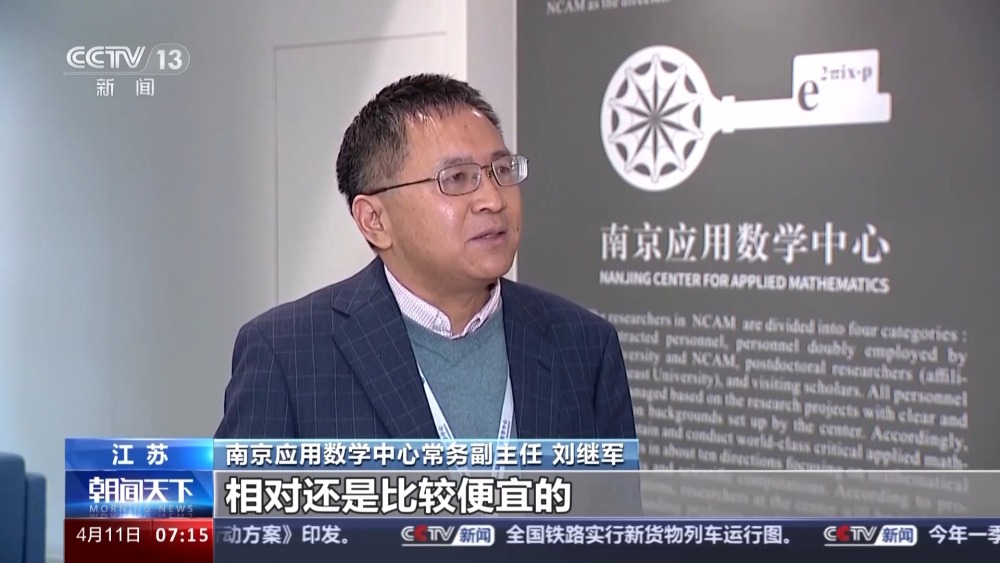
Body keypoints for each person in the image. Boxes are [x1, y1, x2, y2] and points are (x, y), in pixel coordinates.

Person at [214, 74, 636, 441]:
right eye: (457, 178)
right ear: (374, 219)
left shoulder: (583, 345)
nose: (493, 199)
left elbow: (612, 510)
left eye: (502, 171)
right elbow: (239, 511)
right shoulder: (287, 354)